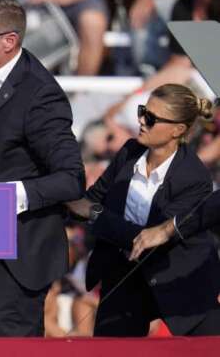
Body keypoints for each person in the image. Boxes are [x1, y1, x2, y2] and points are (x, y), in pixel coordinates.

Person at [0, 0, 85, 336]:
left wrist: (5, 195)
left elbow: (72, 178)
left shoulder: (41, 95)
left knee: (5, 343)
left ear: (9, 41)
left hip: (18, 245)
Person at [67, 84, 220, 336]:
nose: (141, 121)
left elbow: (152, 238)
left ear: (177, 130)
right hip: (124, 277)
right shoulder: (129, 151)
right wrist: (66, 198)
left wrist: (95, 214)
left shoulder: (194, 176)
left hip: (180, 281)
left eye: (150, 118)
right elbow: (91, 199)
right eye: (142, 111)